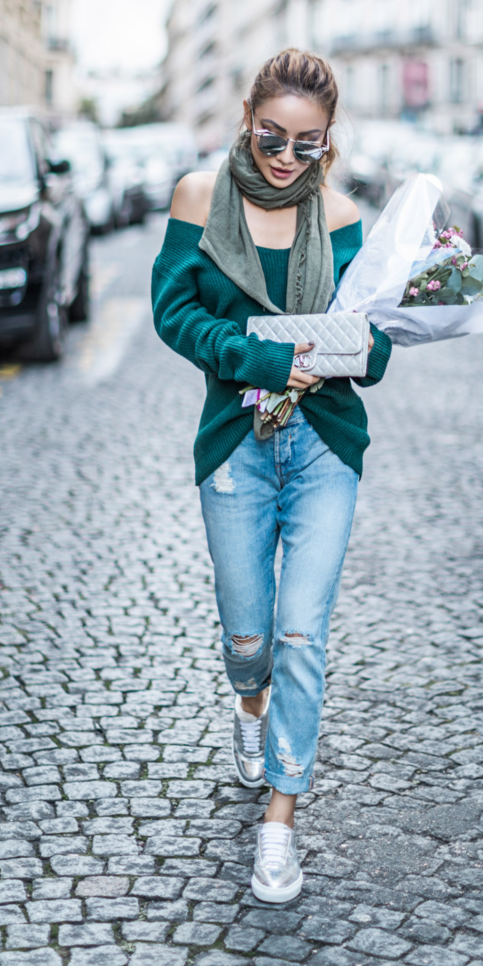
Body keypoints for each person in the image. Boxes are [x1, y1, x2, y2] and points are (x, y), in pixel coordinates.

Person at [151, 49, 391, 903]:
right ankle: (246, 709)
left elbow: (377, 338)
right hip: (235, 446)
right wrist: (254, 353)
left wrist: (363, 349)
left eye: (308, 146)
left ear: (331, 141)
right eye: (271, 139)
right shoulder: (197, 199)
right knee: (248, 639)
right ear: (246, 117)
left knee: (300, 636)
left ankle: (280, 824)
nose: (287, 160)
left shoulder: (347, 214)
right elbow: (172, 313)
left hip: (324, 444)